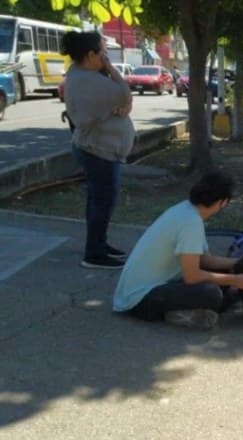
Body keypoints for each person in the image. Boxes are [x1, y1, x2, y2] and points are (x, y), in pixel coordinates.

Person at [113, 172, 243, 329]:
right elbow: (192, 276)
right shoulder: (191, 222)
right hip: (139, 300)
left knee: (224, 274)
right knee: (212, 294)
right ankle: (180, 313)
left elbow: (205, 260)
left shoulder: (187, 210)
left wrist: (241, 263)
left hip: (142, 291)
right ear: (223, 202)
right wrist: (235, 280)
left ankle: (192, 308)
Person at [62, 31, 134, 269]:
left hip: (97, 149)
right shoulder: (87, 80)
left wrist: (123, 105)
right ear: (91, 54)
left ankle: (99, 244)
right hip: (97, 151)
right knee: (102, 201)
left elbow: (124, 102)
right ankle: (93, 254)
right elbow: (124, 94)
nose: (106, 57)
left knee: (98, 200)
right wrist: (112, 70)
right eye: (102, 52)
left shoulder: (82, 75)